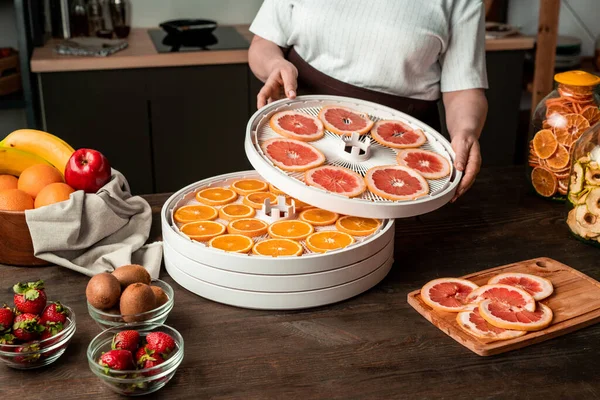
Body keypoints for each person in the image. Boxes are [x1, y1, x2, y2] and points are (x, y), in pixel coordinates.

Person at [248, 0, 488, 201]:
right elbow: (263, 43)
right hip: (300, 138)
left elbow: (463, 89)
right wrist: (275, 65)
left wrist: (466, 130)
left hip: (401, 152)